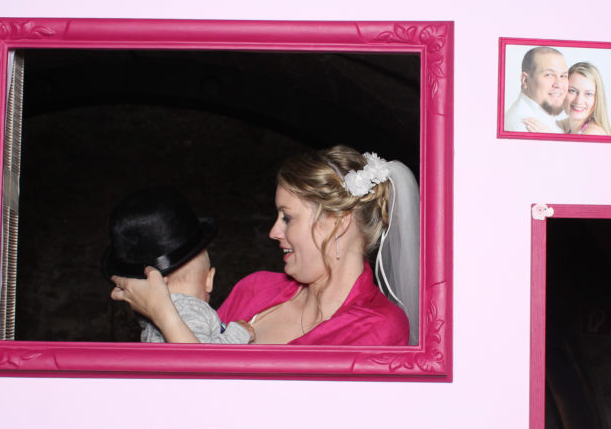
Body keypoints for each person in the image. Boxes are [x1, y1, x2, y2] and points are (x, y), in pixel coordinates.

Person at [111, 146, 419, 345]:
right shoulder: (254, 289)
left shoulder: (378, 327)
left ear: (338, 223)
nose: (273, 232)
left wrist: (163, 314)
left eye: (287, 218)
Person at [103, 186, 254, 344]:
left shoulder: (149, 321)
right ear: (209, 280)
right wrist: (238, 333)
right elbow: (202, 357)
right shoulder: (191, 311)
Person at [504, 46, 568, 133]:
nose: (559, 84)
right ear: (525, 80)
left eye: (563, 76)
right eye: (549, 75)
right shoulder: (522, 125)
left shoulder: (545, 113)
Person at [556, 61, 611, 136]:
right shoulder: (570, 124)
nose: (579, 101)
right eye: (572, 91)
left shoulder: (592, 134)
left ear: (597, 99)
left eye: (588, 94)